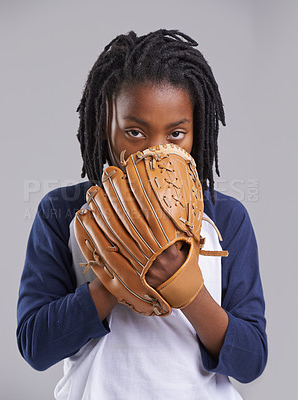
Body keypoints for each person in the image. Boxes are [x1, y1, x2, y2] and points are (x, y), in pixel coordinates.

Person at [17, 29, 267, 399]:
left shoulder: (226, 218)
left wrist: (187, 288)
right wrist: (117, 280)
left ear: (197, 132)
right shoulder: (63, 212)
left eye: (176, 133)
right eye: (134, 131)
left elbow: (252, 362)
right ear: (106, 126)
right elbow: (36, 347)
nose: (155, 149)